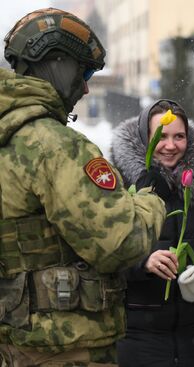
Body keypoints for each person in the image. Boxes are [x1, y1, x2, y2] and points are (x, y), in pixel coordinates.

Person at [0, 8, 166, 367]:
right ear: (57, 65)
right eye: (84, 71)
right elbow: (121, 243)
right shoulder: (54, 145)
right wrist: (148, 202)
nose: (87, 86)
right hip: (63, 348)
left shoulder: (7, 136)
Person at [111, 99, 194, 367]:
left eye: (179, 136)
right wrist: (144, 262)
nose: (170, 145)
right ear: (145, 138)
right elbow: (103, 251)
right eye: (161, 136)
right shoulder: (120, 184)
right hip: (139, 335)